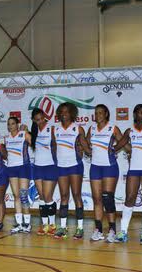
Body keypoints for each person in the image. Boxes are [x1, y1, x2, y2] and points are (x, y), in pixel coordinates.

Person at [113, 104, 142, 244]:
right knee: (130, 198)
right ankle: (123, 232)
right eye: (139, 112)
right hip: (133, 168)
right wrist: (108, 149)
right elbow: (119, 145)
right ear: (134, 114)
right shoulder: (129, 131)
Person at [54, 103, 91, 240]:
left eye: (67, 112)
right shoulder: (55, 130)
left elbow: (86, 147)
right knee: (64, 196)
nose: (64, 114)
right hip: (61, 166)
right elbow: (53, 147)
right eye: (61, 112)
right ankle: (63, 227)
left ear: (72, 113)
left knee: (76, 195)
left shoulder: (78, 129)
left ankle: (80, 228)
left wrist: (92, 151)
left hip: (75, 166)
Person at [87, 104, 123, 243]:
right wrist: (86, 150)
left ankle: (113, 230)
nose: (98, 115)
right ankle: (98, 230)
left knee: (108, 199)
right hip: (95, 167)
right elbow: (86, 143)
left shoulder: (112, 128)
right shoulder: (92, 128)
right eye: (96, 113)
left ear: (106, 114)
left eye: (101, 112)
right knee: (97, 199)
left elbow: (123, 142)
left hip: (109, 166)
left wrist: (117, 149)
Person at [30, 108, 58, 236]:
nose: (40, 121)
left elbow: (57, 145)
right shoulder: (33, 131)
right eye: (37, 120)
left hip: (50, 166)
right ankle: (45, 225)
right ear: (34, 120)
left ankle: (52, 225)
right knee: (41, 197)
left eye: (41, 118)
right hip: (37, 166)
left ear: (44, 117)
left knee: (47, 196)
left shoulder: (51, 128)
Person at [4, 116, 32, 234]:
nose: (10, 126)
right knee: (16, 196)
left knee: (23, 195)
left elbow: (33, 143)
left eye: (13, 124)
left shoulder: (23, 134)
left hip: (23, 167)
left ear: (17, 124)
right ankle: (19, 223)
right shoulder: (6, 138)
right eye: (9, 124)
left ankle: (27, 224)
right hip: (12, 168)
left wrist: (27, 131)